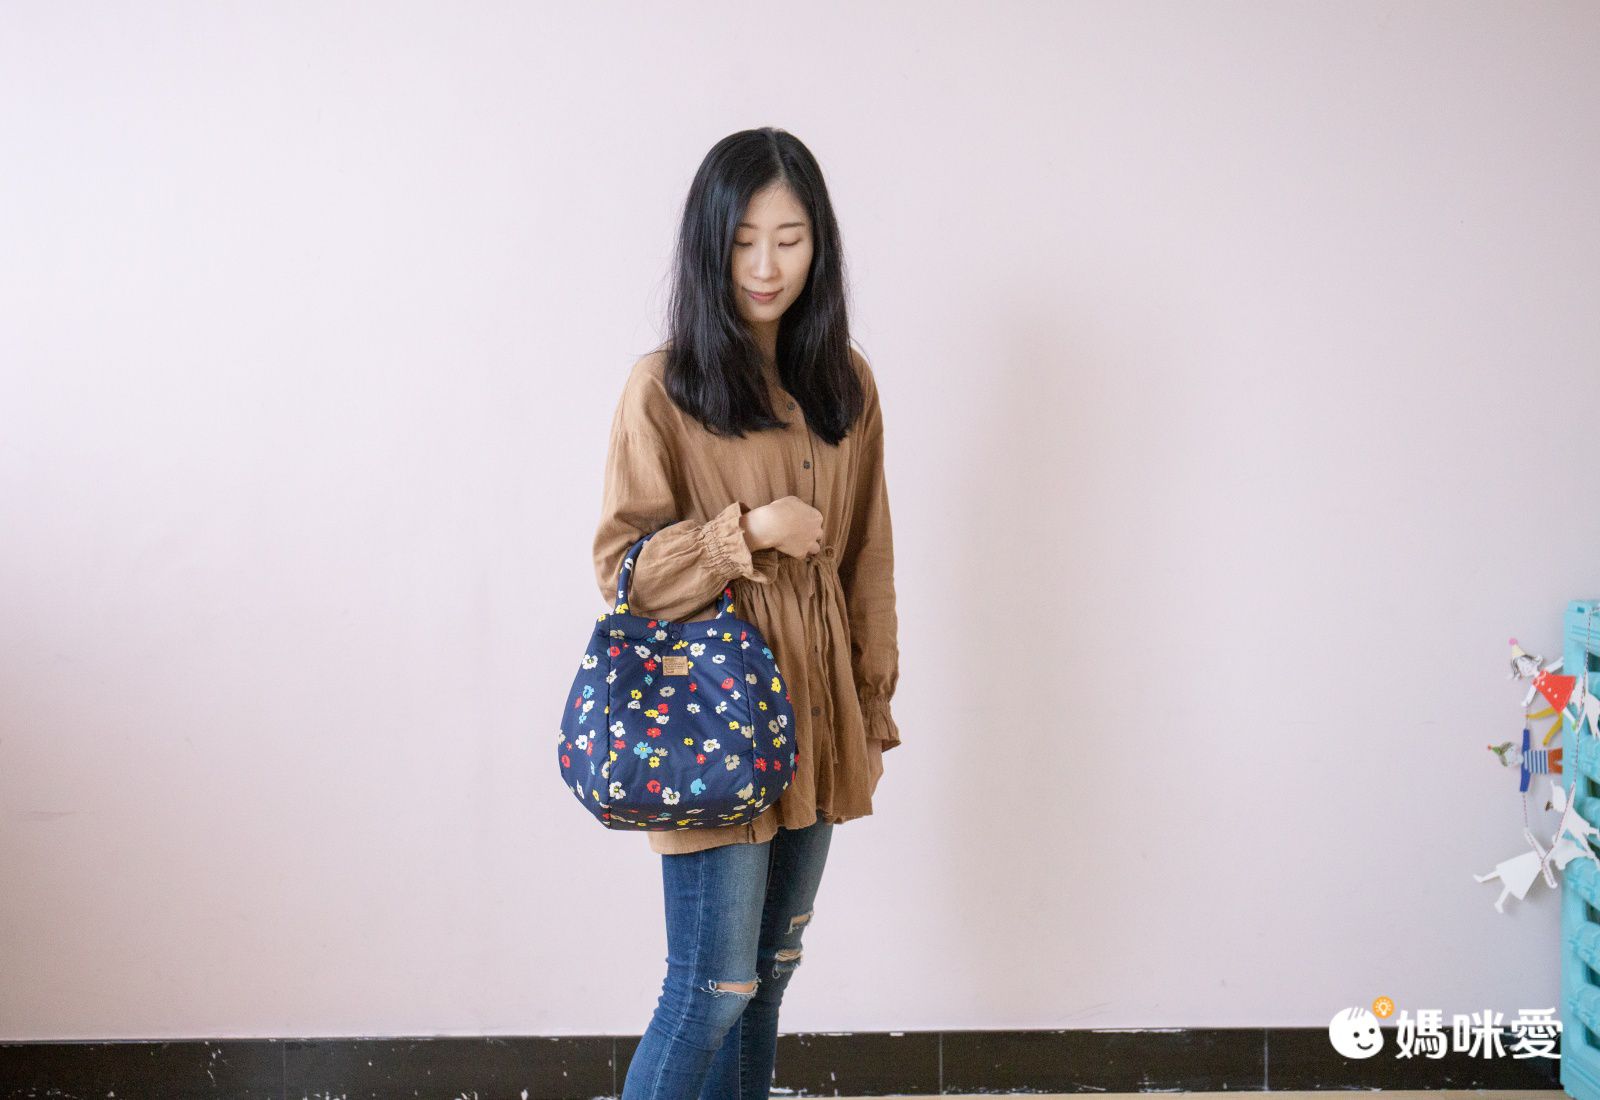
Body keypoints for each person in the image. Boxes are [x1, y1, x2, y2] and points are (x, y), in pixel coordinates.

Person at [590, 127, 902, 1100]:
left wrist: (870, 702)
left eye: (790, 239)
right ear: (709, 245)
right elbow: (626, 573)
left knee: (764, 983)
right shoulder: (663, 387)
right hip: (711, 722)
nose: (767, 266)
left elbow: (868, 557)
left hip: (817, 717)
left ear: (819, 246)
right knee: (708, 989)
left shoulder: (845, 381)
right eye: (743, 241)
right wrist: (749, 531)